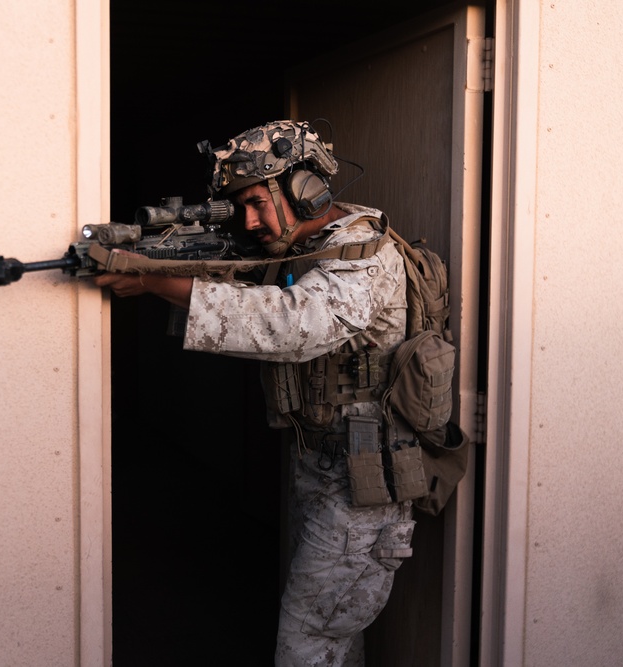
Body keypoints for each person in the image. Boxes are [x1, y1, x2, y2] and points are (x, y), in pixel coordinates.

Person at [94, 120, 415, 666]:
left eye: (257, 202)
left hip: (364, 484)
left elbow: (292, 327)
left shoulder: (366, 254)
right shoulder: (305, 248)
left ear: (306, 188)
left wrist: (152, 280)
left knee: (308, 641)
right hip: (321, 465)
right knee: (326, 634)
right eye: (239, 207)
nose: (249, 220)